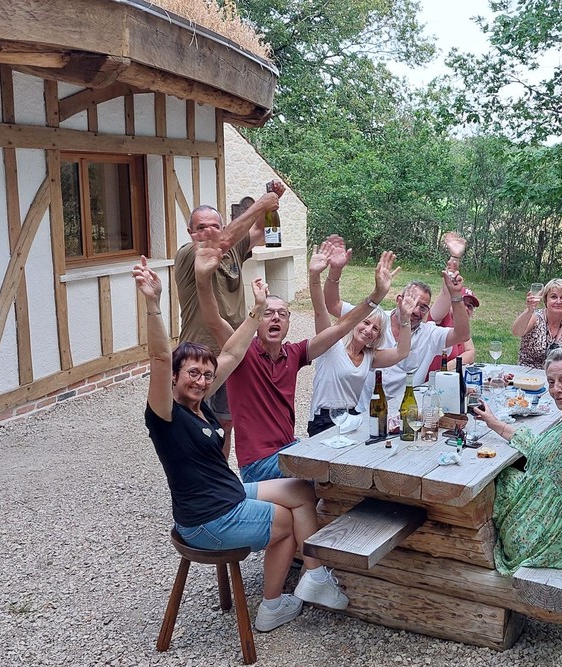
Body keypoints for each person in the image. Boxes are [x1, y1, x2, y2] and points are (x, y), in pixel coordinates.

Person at [135, 257, 349, 633]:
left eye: (205, 374)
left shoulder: (199, 405)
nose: (201, 380)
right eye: (192, 374)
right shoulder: (165, 413)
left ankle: (314, 576)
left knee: (300, 489)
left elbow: (232, 355)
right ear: (172, 377)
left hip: (229, 495)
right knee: (284, 525)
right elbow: (158, 355)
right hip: (207, 519)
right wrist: (153, 303)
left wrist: (255, 312)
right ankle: (271, 606)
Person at [197, 243, 399, 482]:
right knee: (338, 473)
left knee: (353, 457)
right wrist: (202, 278)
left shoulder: (294, 354)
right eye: (268, 313)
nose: (275, 318)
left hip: (290, 448)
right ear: (257, 319)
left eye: (282, 314)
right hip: (259, 464)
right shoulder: (242, 352)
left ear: (289, 322)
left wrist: (376, 296)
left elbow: (341, 327)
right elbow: (212, 319)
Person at [472, 338, 562, 576]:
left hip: (560, 534)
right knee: (502, 474)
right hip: (560, 520)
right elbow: (540, 446)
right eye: (551, 382)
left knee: (488, 481)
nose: (556, 389)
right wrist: (494, 422)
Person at [173, 182, 285, 456]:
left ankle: (220, 476)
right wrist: (261, 203)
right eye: (201, 227)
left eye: (214, 225)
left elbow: (262, 231)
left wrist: (272, 205)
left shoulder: (233, 250)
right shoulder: (189, 254)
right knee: (190, 423)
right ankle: (194, 480)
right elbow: (222, 242)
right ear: (191, 233)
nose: (209, 231)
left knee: (224, 423)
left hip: (231, 353)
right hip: (198, 353)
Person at [322, 235, 471, 405]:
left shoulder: (429, 333)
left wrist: (457, 296)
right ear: (399, 299)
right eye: (411, 301)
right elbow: (333, 305)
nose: (415, 310)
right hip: (364, 411)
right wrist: (335, 271)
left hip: (407, 413)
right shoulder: (374, 319)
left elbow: (462, 334)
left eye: (423, 307)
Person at [306, 242, 413, 436]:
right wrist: (315, 276)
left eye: (375, 328)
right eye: (365, 323)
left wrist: (405, 319)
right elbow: (320, 310)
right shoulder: (331, 345)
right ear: (355, 323)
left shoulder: (369, 356)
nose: (368, 330)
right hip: (324, 420)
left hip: (352, 417)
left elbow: (401, 352)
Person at [426, 233, 477, 371]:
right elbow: (446, 292)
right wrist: (455, 258)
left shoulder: (461, 326)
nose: (466, 308)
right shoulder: (439, 319)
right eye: (462, 302)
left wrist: (447, 368)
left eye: (470, 306)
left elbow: (471, 353)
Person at [512, 278, 562, 369]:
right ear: (546, 300)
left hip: (559, 377)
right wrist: (529, 310)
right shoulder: (535, 317)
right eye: (553, 297)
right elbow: (516, 332)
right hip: (527, 374)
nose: (558, 301)